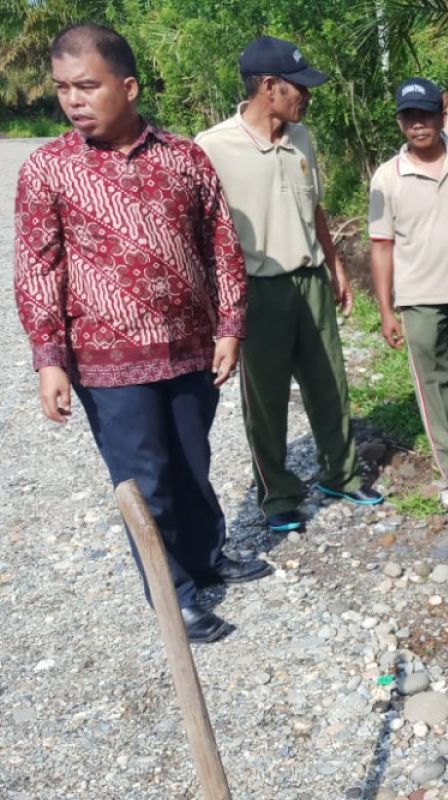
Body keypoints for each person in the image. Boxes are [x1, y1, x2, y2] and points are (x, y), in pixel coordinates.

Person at [14, 24, 270, 643]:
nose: (73, 100)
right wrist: (49, 358)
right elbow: (37, 266)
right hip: (107, 365)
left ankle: (207, 557)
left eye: (87, 86)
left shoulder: (184, 158)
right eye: (62, 89)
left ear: (127, 87)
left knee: (192, 462)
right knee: (144, 480)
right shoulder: (48, 170)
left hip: (190, 349)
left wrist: (230, 326)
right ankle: (172, 597)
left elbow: (221, 247)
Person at [196, 36, 382, 533]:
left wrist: (335, 265)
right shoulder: (212, 147)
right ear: (268, 86)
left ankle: (340, 474)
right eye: (300, 88)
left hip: (311, 280)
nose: (308, 97)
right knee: (267, 396)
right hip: (257, 290)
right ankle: (277, 496)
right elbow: (201, 232)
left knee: (330, 383)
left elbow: (314, 207)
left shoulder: (301, 138)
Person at [368, 77, 448, 485]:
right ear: (400, 123)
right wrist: (386, 309)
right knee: (435, 386)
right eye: (409, 116)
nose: (418, 124)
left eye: (426, 114)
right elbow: (381, 247)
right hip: (419, 299)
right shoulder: (388, 177)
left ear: (442, 115)